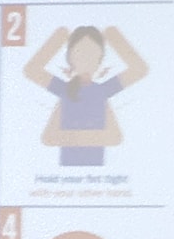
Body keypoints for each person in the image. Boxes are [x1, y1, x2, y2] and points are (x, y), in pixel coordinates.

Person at [23, 24, 148, 166]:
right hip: (65, 172)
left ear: (100, 60)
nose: (86, 59)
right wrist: (61, 35)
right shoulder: (66, 90)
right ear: (70, 58)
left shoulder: (102, 91)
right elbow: (49, 137)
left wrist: (111, 34)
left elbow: (115, 137)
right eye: (80, 53)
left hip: (98, 173)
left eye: (93, 54)